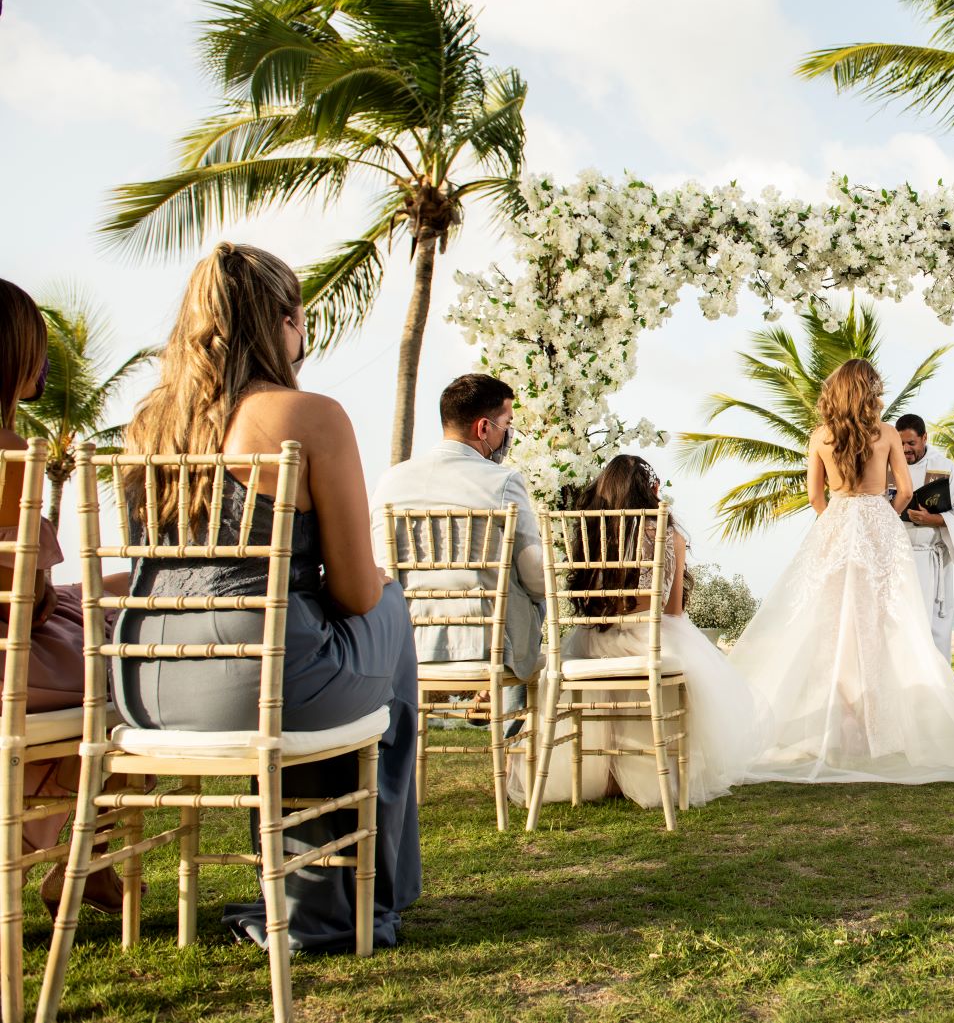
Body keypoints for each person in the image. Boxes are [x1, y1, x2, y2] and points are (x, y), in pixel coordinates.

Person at [111, 242, 419, 951]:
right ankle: (356, 895)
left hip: (142, 681)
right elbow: (351, 589)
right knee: (387, 608)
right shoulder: (309, 416)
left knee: (308, 647)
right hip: (257, 682)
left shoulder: (147, 423)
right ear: (285, 321)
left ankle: (319, 900)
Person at [728, 359, 954, 785]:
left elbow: (815, 496)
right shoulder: (887, 433)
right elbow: (906, 490)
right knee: (884, 627)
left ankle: (840, 728)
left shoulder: (821, 436)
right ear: (869, 391)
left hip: (837, 527)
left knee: (831, 627)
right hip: (879, 526)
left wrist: (837, 521)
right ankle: (880, 728)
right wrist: (884, 515)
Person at [512, 455, 767, 807]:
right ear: (650, 490)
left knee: (605, 680)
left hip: (592, 639)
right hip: (646, 641)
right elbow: (674, 610)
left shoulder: (589, 528)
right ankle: (650, 768)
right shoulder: (665, 530)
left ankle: (604, 775)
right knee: (693, 667)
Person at [0, 279, 128, 913]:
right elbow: (29, 600)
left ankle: (92, 852)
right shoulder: (13, 459)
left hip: (18, 639)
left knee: (122, 593)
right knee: (139, 664)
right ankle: (90, 850)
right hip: (11, 657)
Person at [370, 373, 546, 721]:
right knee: (538, 601)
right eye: (507, 424)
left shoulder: (391, 481)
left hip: (407, 643)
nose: (508, 435)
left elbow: (381, 567)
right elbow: (536, 578)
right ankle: (512, 738)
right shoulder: (503, 481)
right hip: (487, 646)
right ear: (484, 428)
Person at [894, 413, 954, 660]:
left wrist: (932, 520)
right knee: (901, 630)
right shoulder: (889, 466)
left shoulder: (944, 467)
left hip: (931, 560)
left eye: (911, 443)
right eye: (901, 444)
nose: (905, 450)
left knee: (934, 629)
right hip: (898, 560)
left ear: (925, 437)